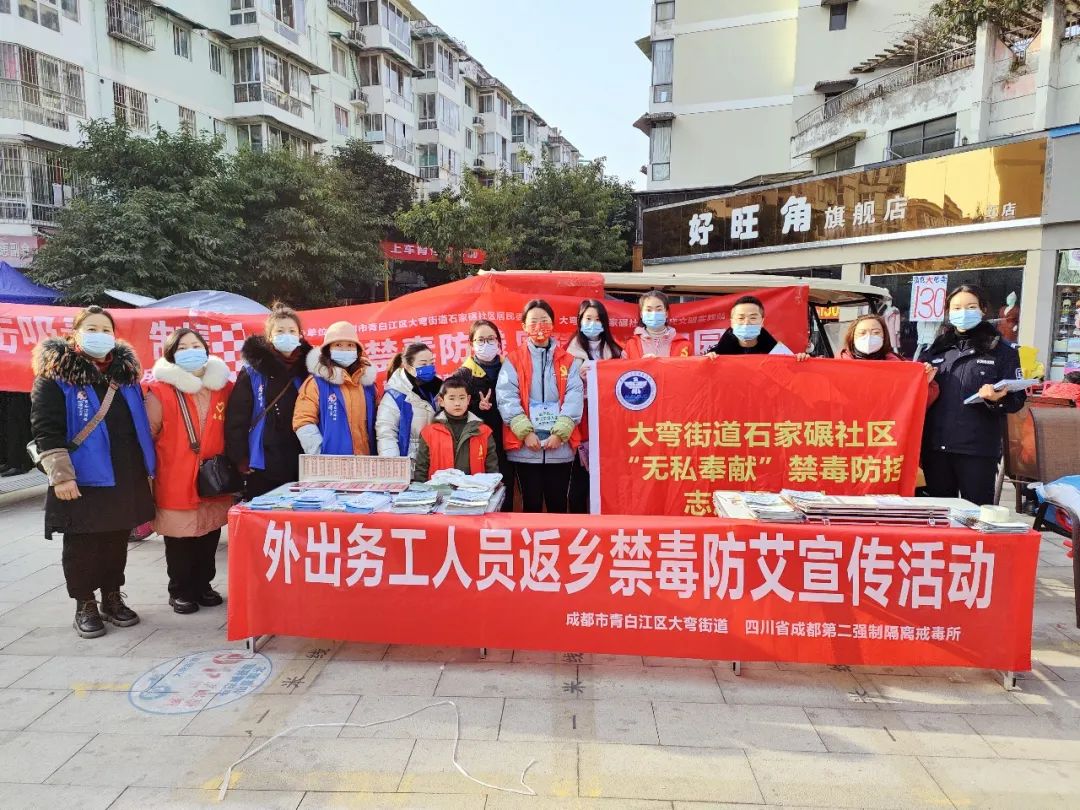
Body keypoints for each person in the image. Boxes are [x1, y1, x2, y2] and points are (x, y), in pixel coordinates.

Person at [30, 305, 155, 638]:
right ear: (75, 334)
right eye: (92, 329)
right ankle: (84, 603)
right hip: (81, 476)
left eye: (106, 330)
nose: (100, 335)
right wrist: (61, 475)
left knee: (116, 538)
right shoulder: (56, 377)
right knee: (83, 543)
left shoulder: (125, 376)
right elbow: (45, 429)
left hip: (123, 472)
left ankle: (112, 596)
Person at [145, 328, 233, 615]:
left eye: (196, 345)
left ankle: (203, 585)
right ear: (171, 354)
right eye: (182, 348)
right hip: (175, 475)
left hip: (213, 476)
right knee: (179, 538)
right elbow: (147, 434)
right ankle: (180, 590)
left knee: (209, 534)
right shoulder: (160, 391)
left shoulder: (223, 387)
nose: (190, 351)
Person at [921, 285, 1026, 506]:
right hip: (936, 448)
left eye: (971, 307)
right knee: (938, 514)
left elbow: (1017, 399)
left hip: (977, 450)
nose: (963, 312)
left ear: (983, 309)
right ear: (949, 312)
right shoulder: (936, 350)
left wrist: (997, 399)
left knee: (977, 514)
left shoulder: (1002, 350)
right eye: (957, 308)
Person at [496, 299, 584, 513]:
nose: (539, 326)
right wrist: (525, 433)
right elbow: (506, 397)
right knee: (531, 505)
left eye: (544, 320)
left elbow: (574, 396)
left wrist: (561, 433)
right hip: (526, 448)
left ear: (552, 324)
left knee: (558, 505)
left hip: (560, 447)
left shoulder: (569, 361)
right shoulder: (513, 360)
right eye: (533, 321)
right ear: (524, 326)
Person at [225, 304, 311, 499]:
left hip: (300, 456)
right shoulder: (253, 371)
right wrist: (240, 458)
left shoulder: (307, 371)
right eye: (280, 331)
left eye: (292, 331)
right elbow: (237, 418)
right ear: (269, 336)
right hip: (263, 459)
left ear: (300, 336)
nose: (286, 335)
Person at [566, 299, 622, 513]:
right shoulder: (568, 353)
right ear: (579, 321)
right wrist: (577, 378)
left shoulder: (618, 351)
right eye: (588, 319)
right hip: (580, 424)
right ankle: (579, 526)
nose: (593, 323)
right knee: (578, 485)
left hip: (610, 424)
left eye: (598, 319)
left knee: (608, 482)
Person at [293, 321, 377, 456]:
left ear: (357, 350)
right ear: (328, 350)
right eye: (338, 345)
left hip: (365, 462)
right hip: (330, 463)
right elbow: (303, 420)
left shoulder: (367, 384)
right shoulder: (316, 383)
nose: (345, 350)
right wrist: (320, 454)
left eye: (350, 345)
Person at [459, 320, 513, 509]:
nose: (486, 344)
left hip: (511, 441)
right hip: (479, 444)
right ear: (471, 344)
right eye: (480, 340)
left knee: (507, 492)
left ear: (498, 341)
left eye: (491, 339)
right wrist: (476, 406)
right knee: (480, 496)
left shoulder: (511, 367)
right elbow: (451, 408)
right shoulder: (463, 375)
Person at [413, 373, 500, 482]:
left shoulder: (483, 431)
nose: (457, 403)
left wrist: (492, 486)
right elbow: (421, 468)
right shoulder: (429, 433)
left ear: (468, 400)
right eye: (452, 398)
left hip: (474, 490)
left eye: (462, 398)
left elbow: (492, 469)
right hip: (439, 490)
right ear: (441, 401)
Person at [840, 314, 940, 406]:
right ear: (852, 337)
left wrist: (924, 383)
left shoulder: (901, 368)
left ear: (884, 336)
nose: (869, 337)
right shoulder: (838, 368)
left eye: (876, 332)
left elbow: (916, 405)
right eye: (862, 333)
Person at [376, 342, 440, 463]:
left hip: (435, 462)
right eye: (423, 364)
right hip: (409, 465)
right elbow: (386, 434)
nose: (429, 367)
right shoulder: (394, 396)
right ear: (408, 366)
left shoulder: (438, 390)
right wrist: (394, 466)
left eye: (431, 363)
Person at [707, 295, 795, 356]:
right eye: (741, 318)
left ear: (762, 322)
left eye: (753, 318)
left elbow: (793, 371)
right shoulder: (715, 355)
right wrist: (706, 361)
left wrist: (800, 360)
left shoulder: (778, 353)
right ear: (732, 323)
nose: (746, 323)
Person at [622, 290, 692, 359]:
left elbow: (692, 365)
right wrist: (642, 364)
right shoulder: (631, 345)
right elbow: (623, 366)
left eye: (659, 309)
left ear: (666, 313)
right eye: (649, 310)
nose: (654, 314)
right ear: (641, 314)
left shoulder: (684, 345)